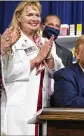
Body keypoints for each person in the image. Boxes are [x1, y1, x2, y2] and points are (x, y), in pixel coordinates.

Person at [1, 1, 64, 135]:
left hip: (42, 106)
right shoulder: (9, 40)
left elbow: (58, 72)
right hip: (18, 108)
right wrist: (36, 60)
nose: (35, 19)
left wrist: (49, 59)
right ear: (18, 17)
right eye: (30, 15)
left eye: (37, 15)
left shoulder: (45, 42)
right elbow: (6, 74)